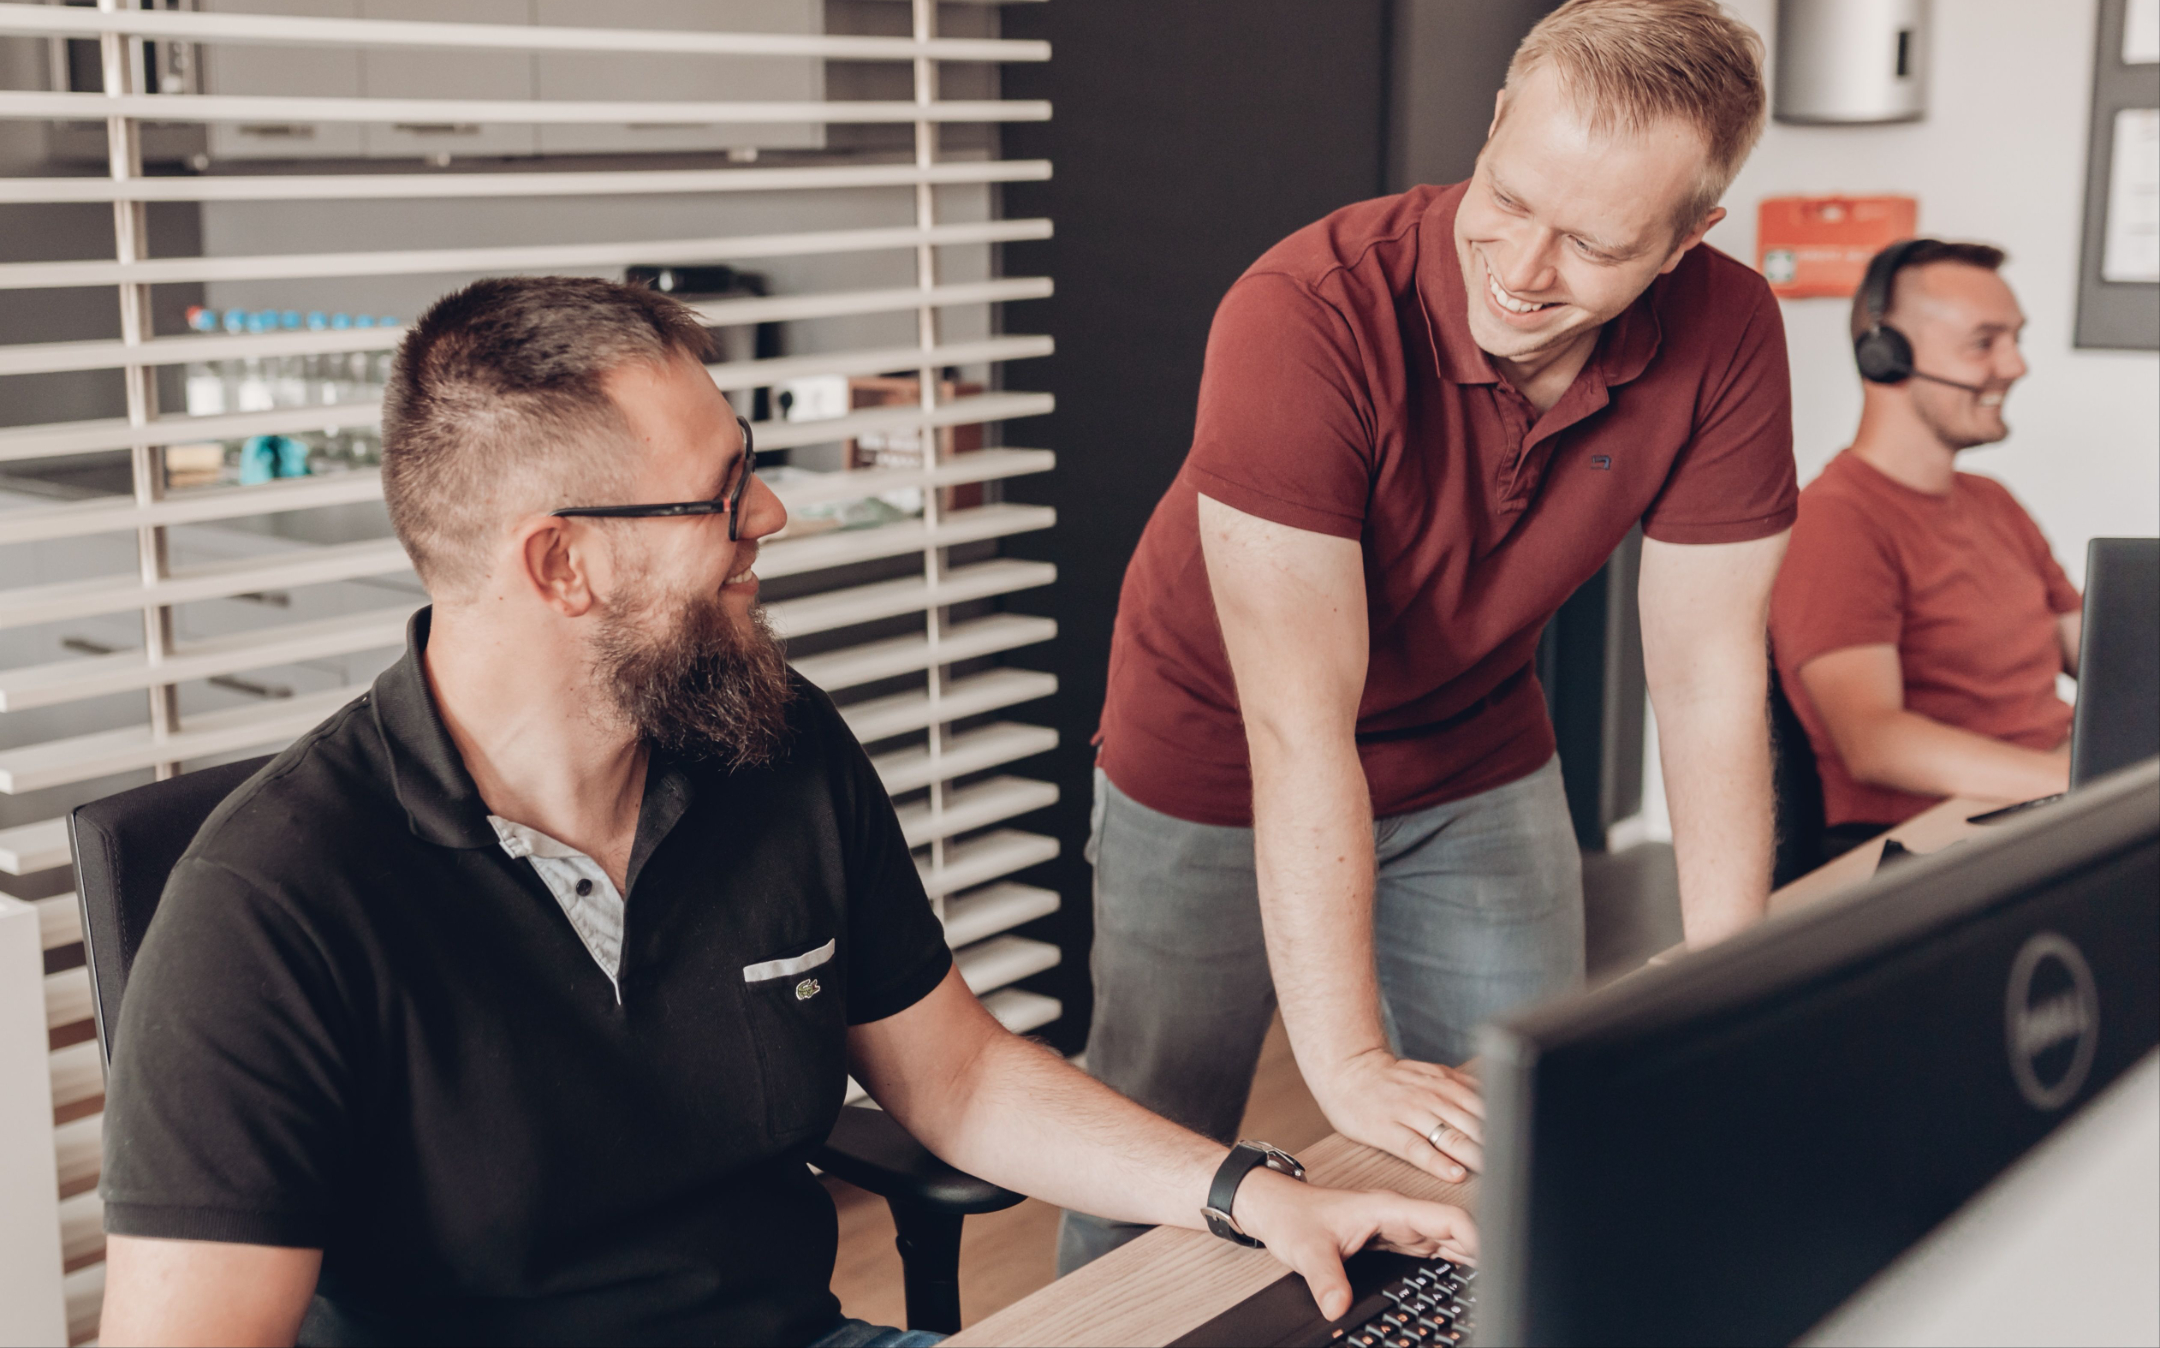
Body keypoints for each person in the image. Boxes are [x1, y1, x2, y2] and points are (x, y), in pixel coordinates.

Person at [95, 278, 1477, 1347]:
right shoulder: (270, 911)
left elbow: (957, 1075)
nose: (769, 514)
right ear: (562, 566)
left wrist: (1250, 1191)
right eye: (719, 495)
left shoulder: (768, 741)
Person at [1065, 0, 1799, 1271]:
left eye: (1596, 246)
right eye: (1509, 199)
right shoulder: (1305, 312)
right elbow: (1299, 724)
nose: (1521, 272)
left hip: (1472, 751)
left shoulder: (1731, 330)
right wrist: (1347, 1062)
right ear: (1498, 116)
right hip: (1220, 753)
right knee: (1156, 1143)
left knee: (1521, 1125)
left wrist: (1725, 980)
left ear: (1691, 237)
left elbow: (1705, 673)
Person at [1770, 239, 2081, 862]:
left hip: (2045, 791)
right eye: (1983, 342)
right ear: (1885, 357)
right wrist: (2079, 782)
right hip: (1940, 834)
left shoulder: (1993, 501)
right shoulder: (1836, 521)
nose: (2015, 365)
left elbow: (2099, 651)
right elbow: (1875, 741)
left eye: (2015, 339)